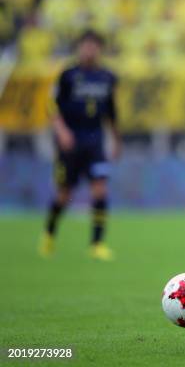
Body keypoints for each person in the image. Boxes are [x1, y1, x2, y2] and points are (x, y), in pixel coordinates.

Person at [39, 29, 121, 261]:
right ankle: (49, 234)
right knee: (64, 193)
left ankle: (97, 244)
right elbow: (51, 106)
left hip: (95, 141)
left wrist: (115, 138)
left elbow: (111, 111)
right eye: (86, 45)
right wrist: (62, 131)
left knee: (100, 188)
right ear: (79, 48)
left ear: (100, 49)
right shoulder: (68, 75)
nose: (90, 49)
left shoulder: (107, 77)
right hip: (71, 140)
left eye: (94, 45)